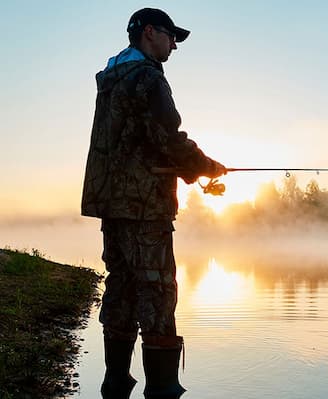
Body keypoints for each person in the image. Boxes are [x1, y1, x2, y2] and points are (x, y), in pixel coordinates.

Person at [81, 8, 225, 398]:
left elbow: (137, 141)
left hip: (113, 202)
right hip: (145, 205)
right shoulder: (146, 77)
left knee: (122, 286)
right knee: (158, 290)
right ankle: (162, 389)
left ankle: (116, 381)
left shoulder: (112, 79)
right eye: (170, 36)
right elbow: (168, 138)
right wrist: (207, 167)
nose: (175, 44)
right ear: (149, 33)